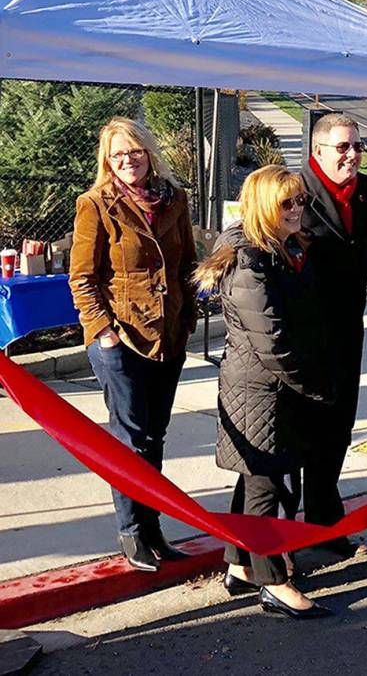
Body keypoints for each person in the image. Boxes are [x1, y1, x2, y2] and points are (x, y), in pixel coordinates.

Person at [194, 165, 333, 619]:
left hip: (278, 386)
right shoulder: (249, 261)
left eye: (300, 201)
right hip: (261, 388)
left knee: (258, 478)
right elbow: (269, 338)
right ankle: (273, 581)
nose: (297, 211)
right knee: (264, 485)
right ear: (263, 207)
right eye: (286, 203)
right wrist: (310, 386)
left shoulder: (284, 247)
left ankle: (239, 564)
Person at [69, 117, 197, 572]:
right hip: (120, 339)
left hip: (169, 334)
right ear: (107, 160)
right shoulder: (95, 204)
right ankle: (132, 531)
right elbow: (82, 278)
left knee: (154, 436)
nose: (128, 160)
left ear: (149, 153)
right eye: (118, 154)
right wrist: (103, 331)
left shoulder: (174, 199)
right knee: (130, 439)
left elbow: (186, 262)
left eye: (135, 151)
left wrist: (190, 311)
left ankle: (153, 524)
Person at [299, 113, 367, 556]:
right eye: (342, 148)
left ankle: (324, 518)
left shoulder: (364, 191)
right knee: (308, 430)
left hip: (348, 327)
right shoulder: (295, 194)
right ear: (318, 151)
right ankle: (299, 530)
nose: (352, 155)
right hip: (308, 332)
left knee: (340, 426)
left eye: (356, 146)